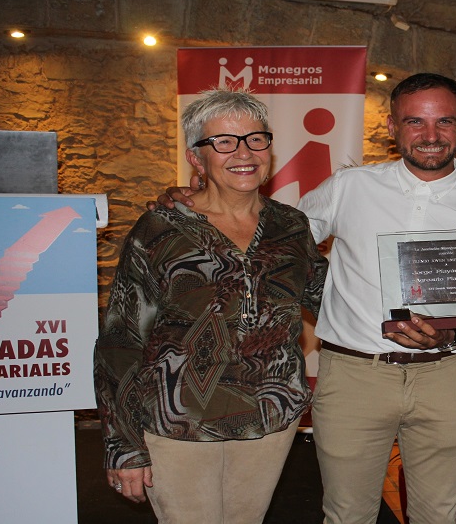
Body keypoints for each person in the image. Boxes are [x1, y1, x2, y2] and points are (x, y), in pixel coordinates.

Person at [155, 73, 456, 524]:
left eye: (444, 121)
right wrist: (202, 196)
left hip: (445, 378)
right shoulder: (350, 187)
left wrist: (455, 338)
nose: (430, 135)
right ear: (391, 127)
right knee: (347, 516)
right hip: (354, 377)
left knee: (440, 516)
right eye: (415, 122)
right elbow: (276, 239)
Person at [95, 89, 328, 523]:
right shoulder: (160, 229)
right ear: (196, 158)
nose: (244, 152)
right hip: (179, 420)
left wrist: (421, 310)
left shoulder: (290, 225)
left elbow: (331, 298)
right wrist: (123, 443)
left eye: (256, 139)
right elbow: (120, 339)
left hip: (269, 418)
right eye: (223, 141)